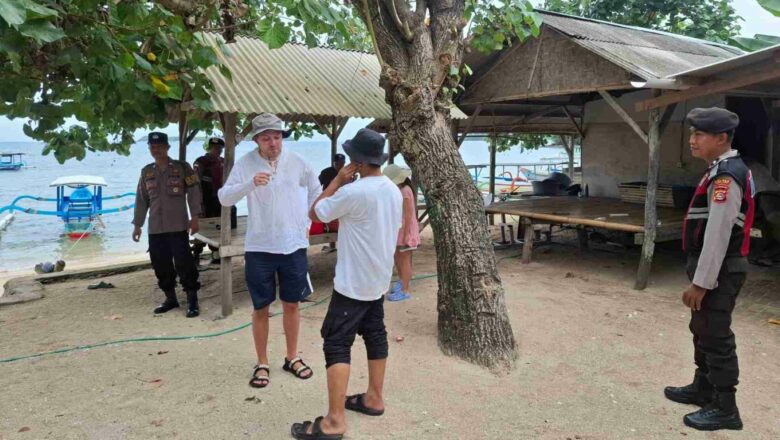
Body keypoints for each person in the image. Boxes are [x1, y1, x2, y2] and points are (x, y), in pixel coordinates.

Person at [291, 128, 402, 440]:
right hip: (378, 279)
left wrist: (338, 181)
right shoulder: (392, 189)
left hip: (353, 283)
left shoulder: (354, 192)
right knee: (375, 336)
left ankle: (335, 420)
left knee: (336, 343)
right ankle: (374, 398)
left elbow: (316, 211)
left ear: (357, 162)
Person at [664, 108, 755, 431]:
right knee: (701, 328)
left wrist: (702, 283)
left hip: (721, 271)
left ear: (721, 138)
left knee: (715, 334)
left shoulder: (726, 176)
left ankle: (726, 408)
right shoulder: (718, 169)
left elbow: (718, 235)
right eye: (692, 133)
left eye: (699, 134)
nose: (692, 140)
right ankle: (703, 387)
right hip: (716, 269)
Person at [218, 113, 321, 388]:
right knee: (261, 307)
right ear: (256, 140)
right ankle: (262, 362)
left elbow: (316, 190)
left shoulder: (298, 161)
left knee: (292, 304)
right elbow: (224, 197)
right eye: (266, 137)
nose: (273, 142)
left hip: (293, 245)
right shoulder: (245, 164)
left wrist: (308, 221)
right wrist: (250, 183)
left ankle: (292, 357)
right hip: (260, 247)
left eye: (276, 136)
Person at [132, 132, 202, 318]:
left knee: (184, 263)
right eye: (152, 147)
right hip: (155, 227)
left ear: (167, 147)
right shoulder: (147, 172)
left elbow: (194, 192)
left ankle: (192, 300)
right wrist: (137, 224)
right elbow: (142, 199)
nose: (156, 150)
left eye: (159, 146)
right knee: (160, 264)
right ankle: (170, 298)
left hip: (178, 226)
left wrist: (195, 217)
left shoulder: (183, 168)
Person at [193, 136, 236, 264]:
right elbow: (196, 183)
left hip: (221, 199)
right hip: (206, 199)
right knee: (204, 227)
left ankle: (217, 254)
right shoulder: (201, 162)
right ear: (210, 148)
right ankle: (196, 253)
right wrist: (198, 203)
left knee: (221, 226)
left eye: (220, 148)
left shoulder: (224, 161)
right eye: (215, 148)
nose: (218, 150)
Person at [383, 164, 420, 302]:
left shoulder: (405, 190)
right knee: (399, 258)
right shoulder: (401, 189)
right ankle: (401, 283)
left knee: (404, 260)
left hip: (405, 230)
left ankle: (404, 289)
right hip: (400, 229)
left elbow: (408, 214)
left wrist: (406, 234)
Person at [317, 153, 346, 253]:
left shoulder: (346, 173)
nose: (340, 165)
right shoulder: (326, 172)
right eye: (338, 163)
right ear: (334, 163)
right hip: (328, 200)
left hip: (342, 200)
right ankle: (328, 228)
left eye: (342, 163)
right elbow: (317, 186)